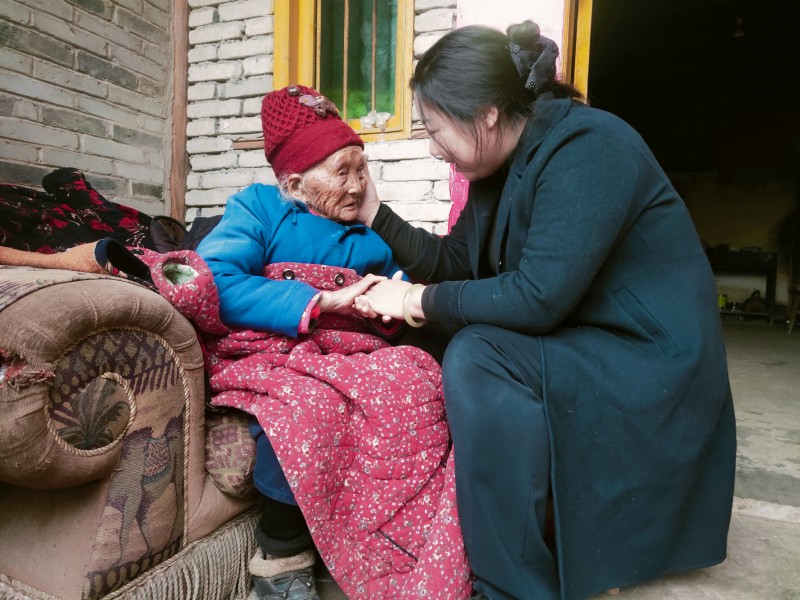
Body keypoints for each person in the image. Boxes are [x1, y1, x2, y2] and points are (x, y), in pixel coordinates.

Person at [353, 20, 736, 600]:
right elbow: (455, 263)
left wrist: (414, 298)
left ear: (484, 112)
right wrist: (375, 215)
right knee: (418, 333)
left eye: (435, 129)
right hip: (586, 340)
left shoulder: (588, 147)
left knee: (476, 351)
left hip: (651, 362)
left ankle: (510, 587)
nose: (433, 148)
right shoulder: (495, 169)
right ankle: (429, 528)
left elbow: (538, 297)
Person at [195, 85, 408, 600]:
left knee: (412, 386)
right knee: (307, 405)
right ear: (295, 181)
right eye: (342, 172)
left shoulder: (369, 229)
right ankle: (280, 557)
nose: (358, 186)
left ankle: (368, 544)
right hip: (278, 348)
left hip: (356, 353)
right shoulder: (260, 207)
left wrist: (395, 304)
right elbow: (212, 277)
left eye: (362, 169)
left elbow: (399, 284)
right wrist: (320, 303)